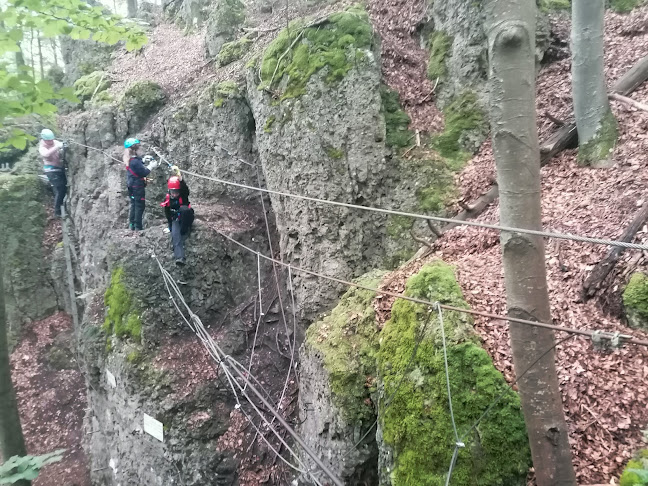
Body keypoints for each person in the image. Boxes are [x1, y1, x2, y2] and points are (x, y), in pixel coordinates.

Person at [160, 170, 194, 265]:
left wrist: (181, 179)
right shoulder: (167, 199)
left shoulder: (183, 196)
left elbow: (185, 190)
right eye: (172, 192)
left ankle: (185, 229)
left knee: (184, 209)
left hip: (186, 217)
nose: (174, 194)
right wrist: (170, 227)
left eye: (176, 192)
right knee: (176, 236)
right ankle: (180, 258)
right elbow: (168, 214)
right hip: (176, 219)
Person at [124, 138, 158, 231]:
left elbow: (137, 164)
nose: (141, 149)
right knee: (139, 206)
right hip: (137, 187)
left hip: (131, 185)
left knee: (134, 204)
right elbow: (143, 172)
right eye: (139, 148)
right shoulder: (135, 162)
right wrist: (151, 165)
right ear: (135, 150)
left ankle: (132, 225)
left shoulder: (131, 160)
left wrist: (143, 159)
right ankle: (138, 227)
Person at [39, 129, 67, 217]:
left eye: (51, 139)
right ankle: (57, 211)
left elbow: (60, 145)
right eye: (48, 140)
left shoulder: (55, 142)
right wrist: (57, 147)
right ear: (43, 139)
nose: (50, 142)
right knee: (60, 189)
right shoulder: (42, 147)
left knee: (62, 189)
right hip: (51, 171)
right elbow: (46, 154)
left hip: (59, 169)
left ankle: (61, 208)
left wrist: (63, 145)